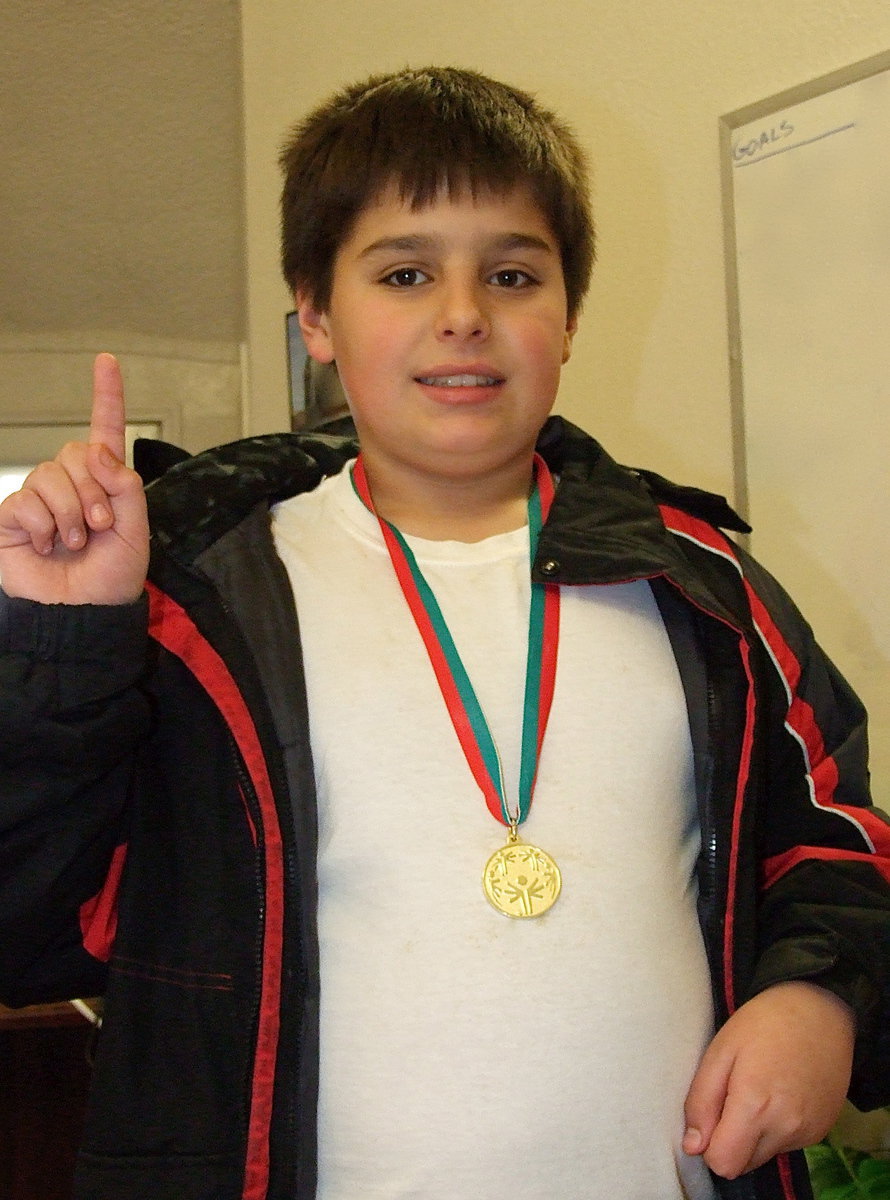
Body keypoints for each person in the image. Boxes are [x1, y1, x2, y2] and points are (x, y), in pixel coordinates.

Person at [0, 66, 888, 1200]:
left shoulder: (701, 587)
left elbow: (834, 842)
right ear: (314, 315)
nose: (462, 312)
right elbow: (31, 924)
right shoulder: (194, 603)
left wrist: (815, 998)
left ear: (566, 314)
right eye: (405, 272)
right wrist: (66, 646)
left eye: (511, 273)